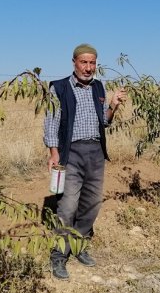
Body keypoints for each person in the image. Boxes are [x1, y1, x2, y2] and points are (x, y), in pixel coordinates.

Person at [43, 43, 126, 280]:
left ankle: (78, 247)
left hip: (95, 152)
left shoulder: (98, 86)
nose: (88, 68)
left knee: (91, 204)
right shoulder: (58, 88)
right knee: (67, 206)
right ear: (74, 63)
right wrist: (54, 153)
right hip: (71, 153)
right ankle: (59, 256)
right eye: (84, 62)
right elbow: (51, 123)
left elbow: (104, 121)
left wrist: (113, 106)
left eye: (92, 63)